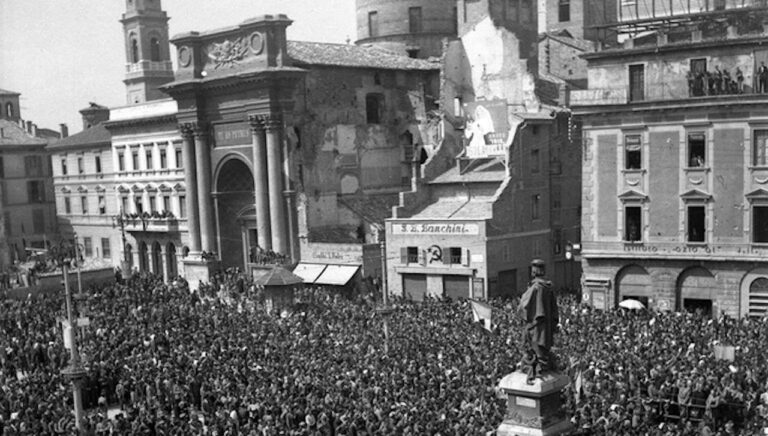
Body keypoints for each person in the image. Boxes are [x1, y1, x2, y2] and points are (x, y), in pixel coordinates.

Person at [518, 258, 559, 374]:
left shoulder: (536, 287)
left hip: (537, 324)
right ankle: (542, 362)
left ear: (534, 271)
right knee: (542, 344)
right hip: (546, 324)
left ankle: (538, 364)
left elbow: (524, 304)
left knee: (535, 342)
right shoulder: (548, 287)